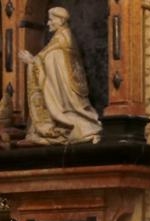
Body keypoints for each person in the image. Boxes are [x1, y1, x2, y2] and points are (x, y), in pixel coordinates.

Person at [17, 7, 102, 145]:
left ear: (61, 21)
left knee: (72, 121)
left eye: (51, 19)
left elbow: (50, 63)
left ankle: (73, 127)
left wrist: (32, 62)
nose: (48, 23)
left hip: (66, 99)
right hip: (69, 94)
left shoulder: (61, 41)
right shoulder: (63, 37)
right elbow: (47, 61)